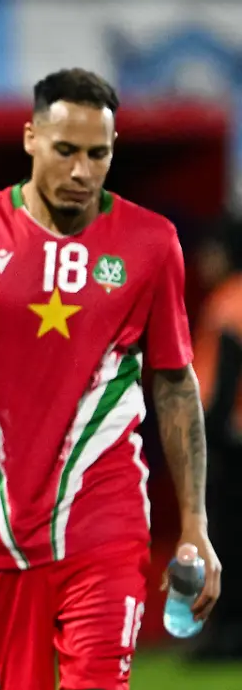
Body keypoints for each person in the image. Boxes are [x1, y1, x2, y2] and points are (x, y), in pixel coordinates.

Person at [0, 68, 222, 690]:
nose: (82, 172)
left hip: (106, 516)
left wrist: (195, 524)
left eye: (98, 154)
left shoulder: (152, 242)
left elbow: (176, 386)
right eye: (66, 151)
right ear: (30, 138)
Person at [188, 216, 242, 660]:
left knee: (226, 537)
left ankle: (226, 634)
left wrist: (211, 439)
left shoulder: (229, 302)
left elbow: (224, 380)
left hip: (229, 443)